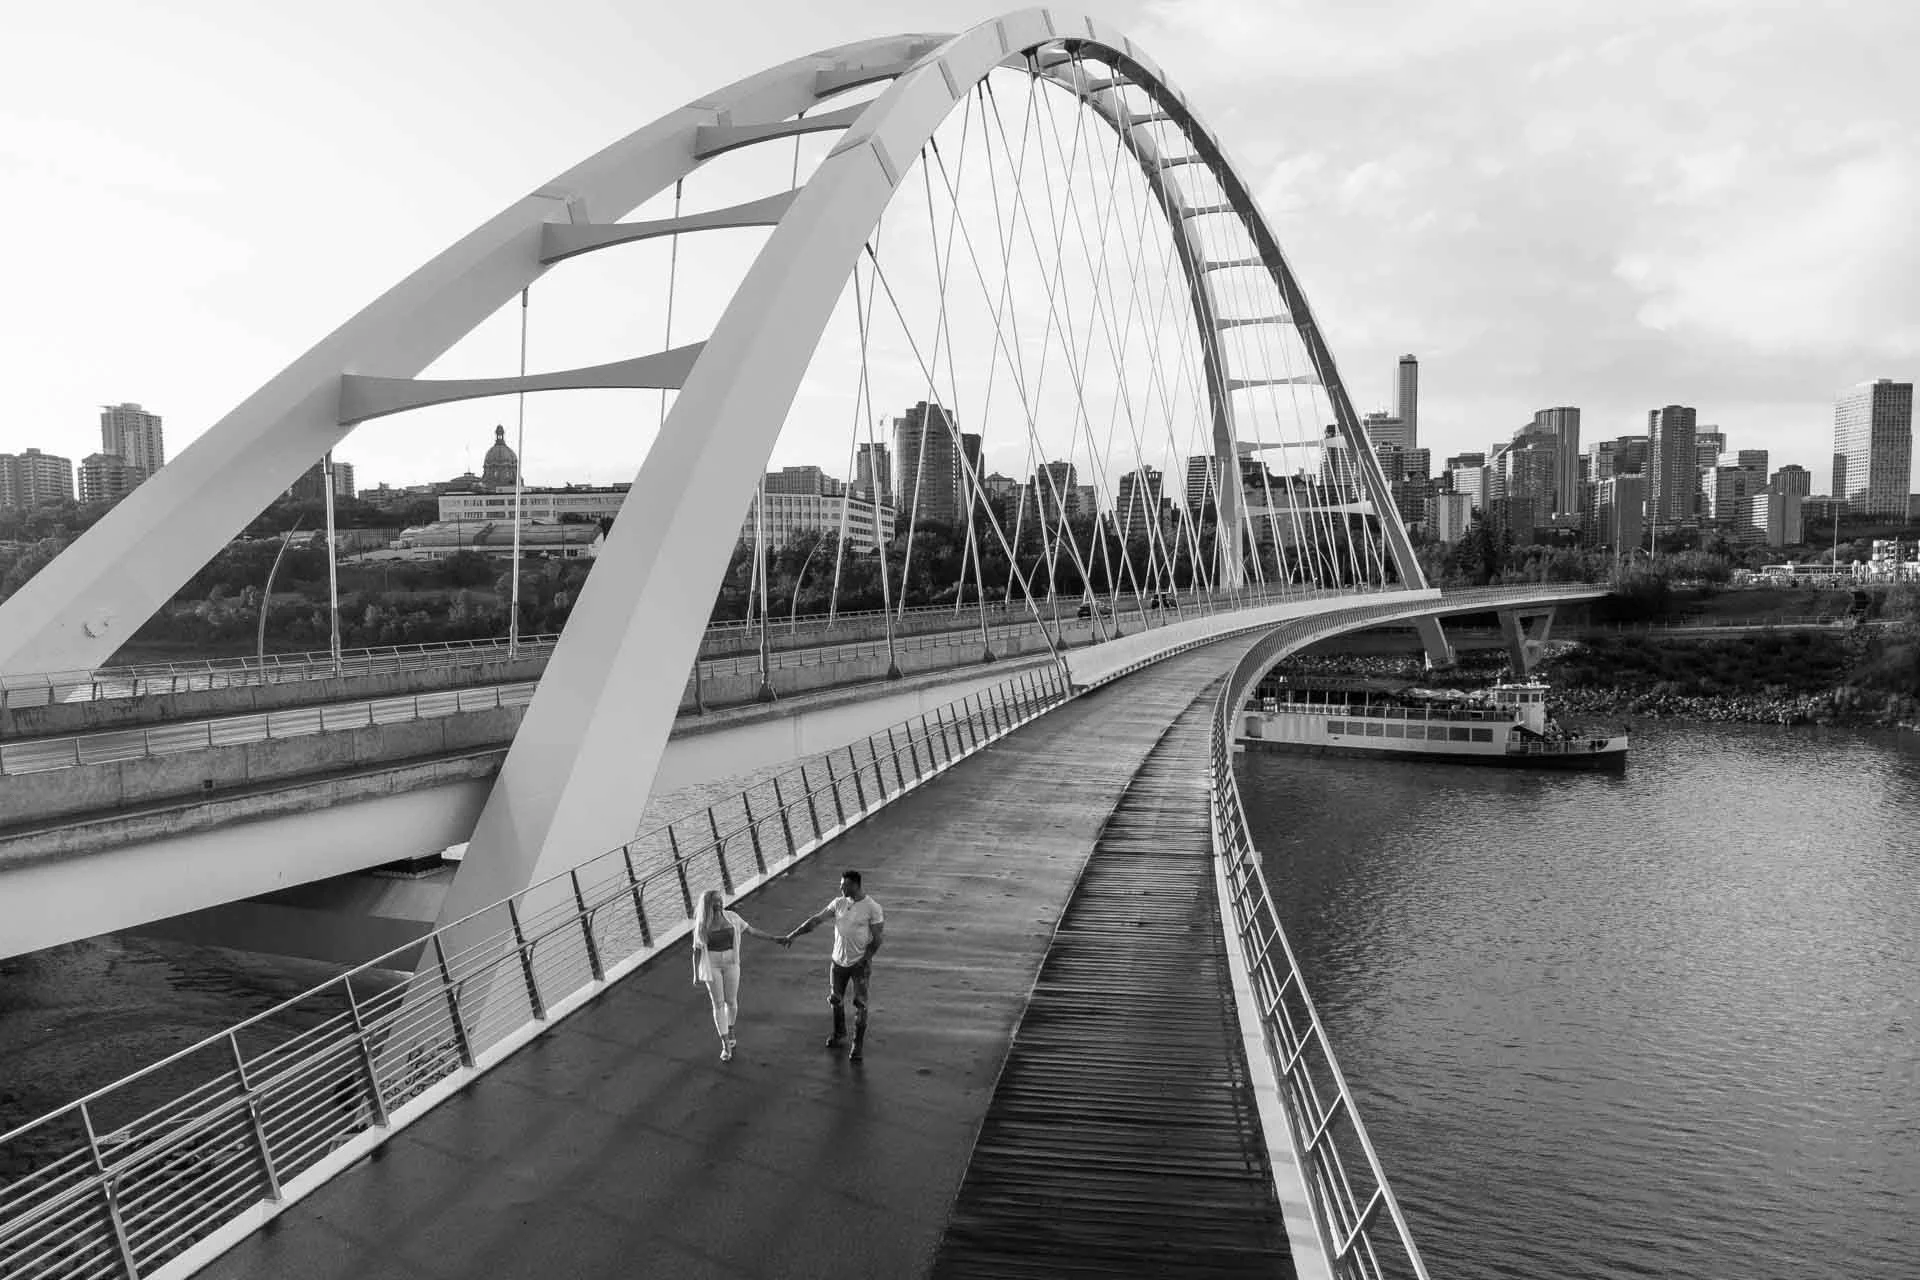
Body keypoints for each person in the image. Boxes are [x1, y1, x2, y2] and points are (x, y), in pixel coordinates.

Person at [785, 870, 884, 1061]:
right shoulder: (838, 903)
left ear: (855, 885)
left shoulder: (872, 908)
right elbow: (815, 920)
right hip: (838, 962)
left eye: (844, 885)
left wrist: (865, 959)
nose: (840, 888)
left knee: (860, 1004)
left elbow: (878, 939)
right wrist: (793, 935)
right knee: (835, 1000)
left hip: (859, 964)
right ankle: (839, 1034)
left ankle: (857, 1045)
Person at [691, 888, 786, 1062]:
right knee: (718, 1004)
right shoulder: (702, 924)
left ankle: (731, 1027)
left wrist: (774, 938)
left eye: (720, 900)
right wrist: (696, 974)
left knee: (732, 1002)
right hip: (712, 966)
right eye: (715, 902)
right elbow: (696, 951)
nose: (719, 904)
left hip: (731, 964)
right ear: (707, 905)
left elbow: (752, 931)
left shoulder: (733, 918)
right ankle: (725, 1044)